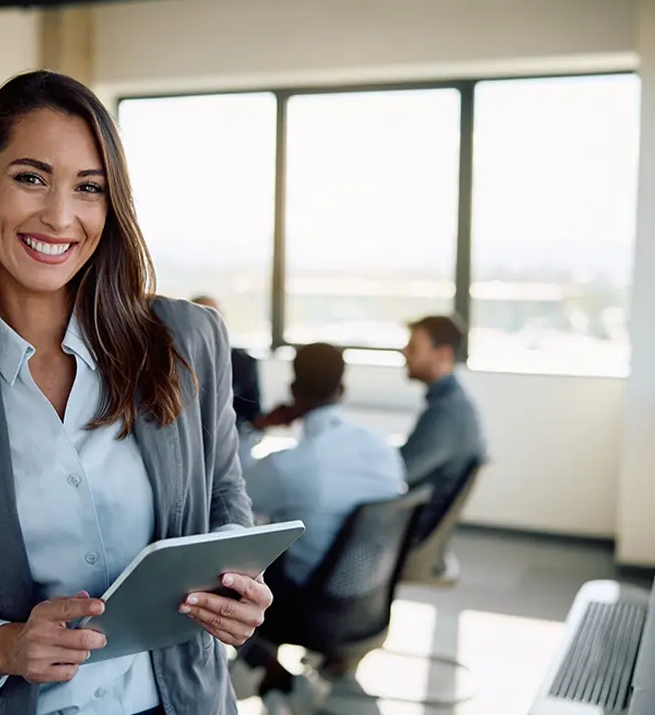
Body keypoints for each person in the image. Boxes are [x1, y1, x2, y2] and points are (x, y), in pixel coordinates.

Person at [0, 71, 271, 715]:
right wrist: (2, 646)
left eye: (89, 188)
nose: (60, 216)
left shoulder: (189, 340)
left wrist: (236, 586)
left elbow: (220, 495)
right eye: (31, 177)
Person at [235, 344, 405, 709]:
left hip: (308, 608)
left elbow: (233, 492)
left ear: (294, 392)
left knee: (228, 577)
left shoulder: (293, 466)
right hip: (367, 597)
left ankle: (273, 676)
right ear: (342, 389)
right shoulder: (383, 450)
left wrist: (254, 428)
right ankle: (282, 679)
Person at [399, 315, 486, 567]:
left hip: (411, 535)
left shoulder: (447, 413)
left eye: (413, 347)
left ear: (442, 354)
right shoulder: (452, 403)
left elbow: (399, 474)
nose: (405, 353)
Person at [190, 295, 262, 428]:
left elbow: (252, 412)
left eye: (216, 317)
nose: (211, 325)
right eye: (204, 318)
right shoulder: (174, 363)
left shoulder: (243, 362)